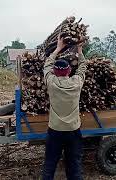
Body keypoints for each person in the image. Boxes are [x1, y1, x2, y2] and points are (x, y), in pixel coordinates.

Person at [42, 35, 86, 180]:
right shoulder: (76, 82)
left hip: (55, 131)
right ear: (68, 71)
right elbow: (82, 67)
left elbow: (47, 65)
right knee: (74, 166)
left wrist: (58, 48)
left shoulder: (51, 82)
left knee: (49, 165)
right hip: (73, 132)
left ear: (55, 72)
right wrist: (79, 50)